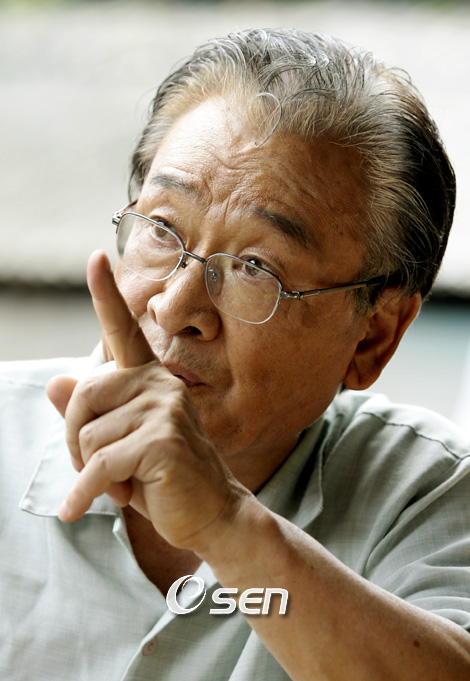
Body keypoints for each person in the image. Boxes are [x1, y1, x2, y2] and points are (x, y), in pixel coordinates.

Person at [1, 27, 469, 681]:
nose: (176, 307)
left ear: (373, 336)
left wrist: (223, 523)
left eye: (256, 266)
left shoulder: (427, 492)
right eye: (162, 228)